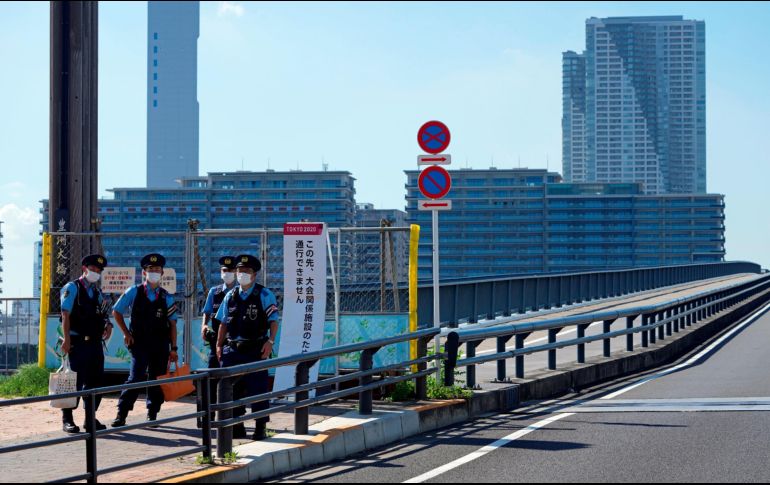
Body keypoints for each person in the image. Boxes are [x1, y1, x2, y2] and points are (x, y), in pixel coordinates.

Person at [215, 254, 279, 440]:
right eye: (240, 270)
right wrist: (219, 345)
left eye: (247, 271)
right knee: (231, 389)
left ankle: (260, 427)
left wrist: (270, 341)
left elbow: (274, 321)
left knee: (258, 388)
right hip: (232, 349)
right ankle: (237, 425)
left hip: (255, 348)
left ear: (254, 274)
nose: (242, 274)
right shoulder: (230, 295)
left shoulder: (264, 294)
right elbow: (223, 323)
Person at [110, 253, 179, 428]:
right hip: (139, 343)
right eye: (151, 269)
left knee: (156, 379)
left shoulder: (167, 297)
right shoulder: (134, 291)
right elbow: (116, 311)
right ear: (144, 272)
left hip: (160, 345)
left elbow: (172, 324)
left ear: (162, 273)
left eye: (157, 269)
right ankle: (121, 414)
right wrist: (126, 333)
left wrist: (174, 348)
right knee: (135, 378)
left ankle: (152, 414)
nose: (154, 272)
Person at [59, 254, 112, 433]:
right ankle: (67, 419)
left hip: (95, 344)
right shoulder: (72, 287)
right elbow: (65, 314)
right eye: (93, 268)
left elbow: (104, 313)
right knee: (73, 381)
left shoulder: (97, 292)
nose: (96, 272)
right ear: (84, 268)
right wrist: (67, 339)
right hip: (77, 343)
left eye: (98, 270)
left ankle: (90, 419)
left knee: (96, 382)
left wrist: (108, 324)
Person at [197, 256, 237, 414]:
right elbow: (207, 312)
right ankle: (209, 412)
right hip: (216, 341)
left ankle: (231, 413)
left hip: (233, 340)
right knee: (211, 375)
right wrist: (204, 325)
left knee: (232, 378)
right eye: (224, 270)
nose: (227, 273)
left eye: (230, 270)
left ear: (236, 272)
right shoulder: (215, 291)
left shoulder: (240, 292)